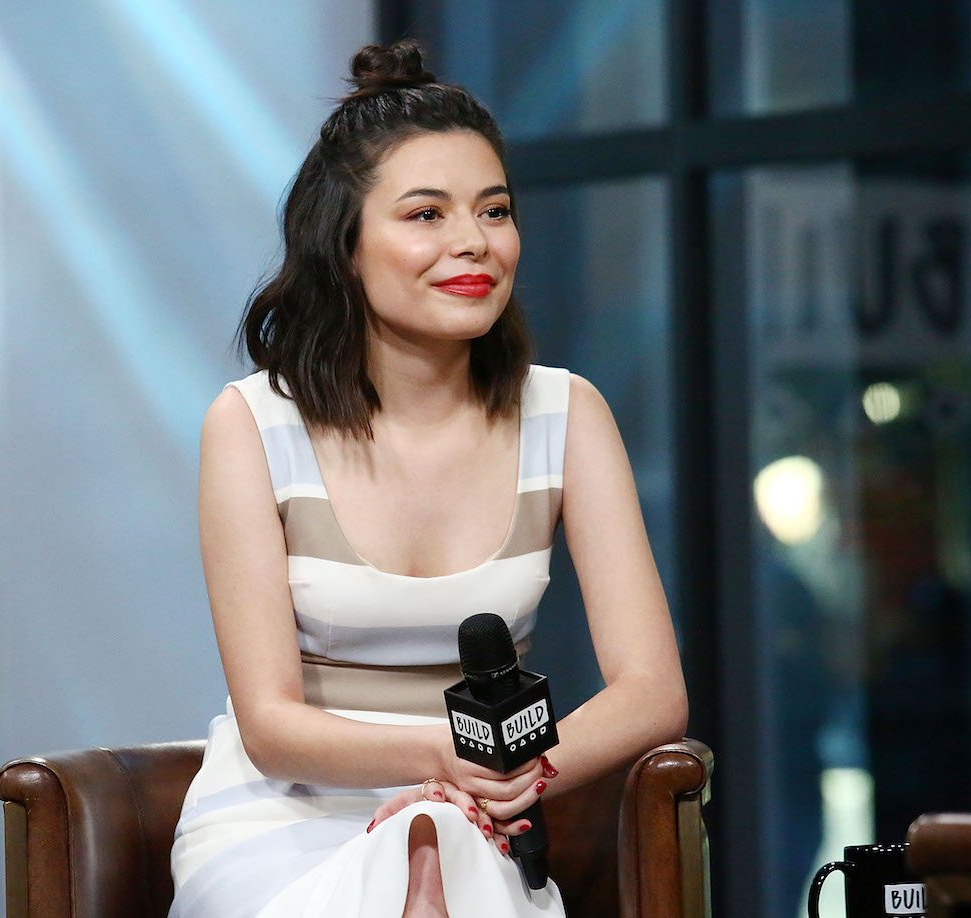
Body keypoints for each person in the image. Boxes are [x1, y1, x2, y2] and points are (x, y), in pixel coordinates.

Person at [168, 39, 687, 918]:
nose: (473, 243)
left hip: (487, 813)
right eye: (425, 215)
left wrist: (517, 773)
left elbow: (651, 691)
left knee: (441, 852)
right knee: (422, 862)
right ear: (345, 245)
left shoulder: (567, 414)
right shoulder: (254, 424)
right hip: (287, 816)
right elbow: (271, 723)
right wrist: (440, 758)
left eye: (494, 210)